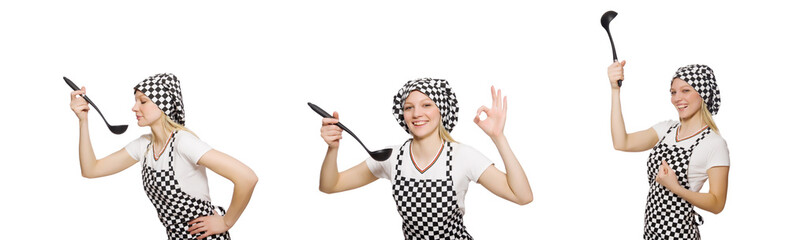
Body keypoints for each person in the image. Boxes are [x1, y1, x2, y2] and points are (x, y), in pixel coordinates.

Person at [318, 78, 533, 239]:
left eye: (426, 105)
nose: (416, 113)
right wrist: (333, 148)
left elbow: (522, 196)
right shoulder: (391, 157)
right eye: (409, 107)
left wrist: (498, 137)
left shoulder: (462, 156)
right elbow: (331, 185)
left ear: (442, 110)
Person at [69, 73, 257, 239]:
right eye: (135, 101)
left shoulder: (183, 142)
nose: (134, 108)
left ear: (163, 105)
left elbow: (246, 178)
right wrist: (83, 120)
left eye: (143, 101)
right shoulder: (145, 145)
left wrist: (225, 222)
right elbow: (91, 170)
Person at [608, 62, 729, 239]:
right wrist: (615, 90)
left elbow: (717, 204)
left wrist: (676, 188)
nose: (677, 98)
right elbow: (622, 142)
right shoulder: (666, 130)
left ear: (703, 94)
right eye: (673, 92)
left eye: (686, 90)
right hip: (651, 233)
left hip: (679, 235)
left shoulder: (714, 144)